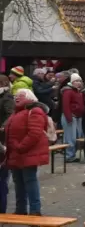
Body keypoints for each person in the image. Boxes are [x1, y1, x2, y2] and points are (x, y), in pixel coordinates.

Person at [4, 89, 49, 216]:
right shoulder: (16, 112)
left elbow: (35, 133)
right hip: (15, 153)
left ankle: (35, 210)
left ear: (30, 97)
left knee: (30, 181)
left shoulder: (35, 111)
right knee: (18, 183)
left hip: (27, 153)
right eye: (16, 96)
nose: (17, 97)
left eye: (21, 95)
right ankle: (20, 209)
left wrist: (20, 147)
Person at [60, 73, 85, 163]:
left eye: (80, 81)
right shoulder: (68, 91)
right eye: (76, 81)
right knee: (70, 137)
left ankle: (72, 154)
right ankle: (69, 156)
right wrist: (69, 117)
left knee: (76, 136)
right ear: (72, 82)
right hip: (71, 117)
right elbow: (66, 105)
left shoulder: (78, 91)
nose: (79, 83)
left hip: (78, 117)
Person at [0, 75, 14, 212]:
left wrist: (3, 127)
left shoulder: (7, 98)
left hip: (2, 139)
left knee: (2, 178)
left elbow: (10, 115)